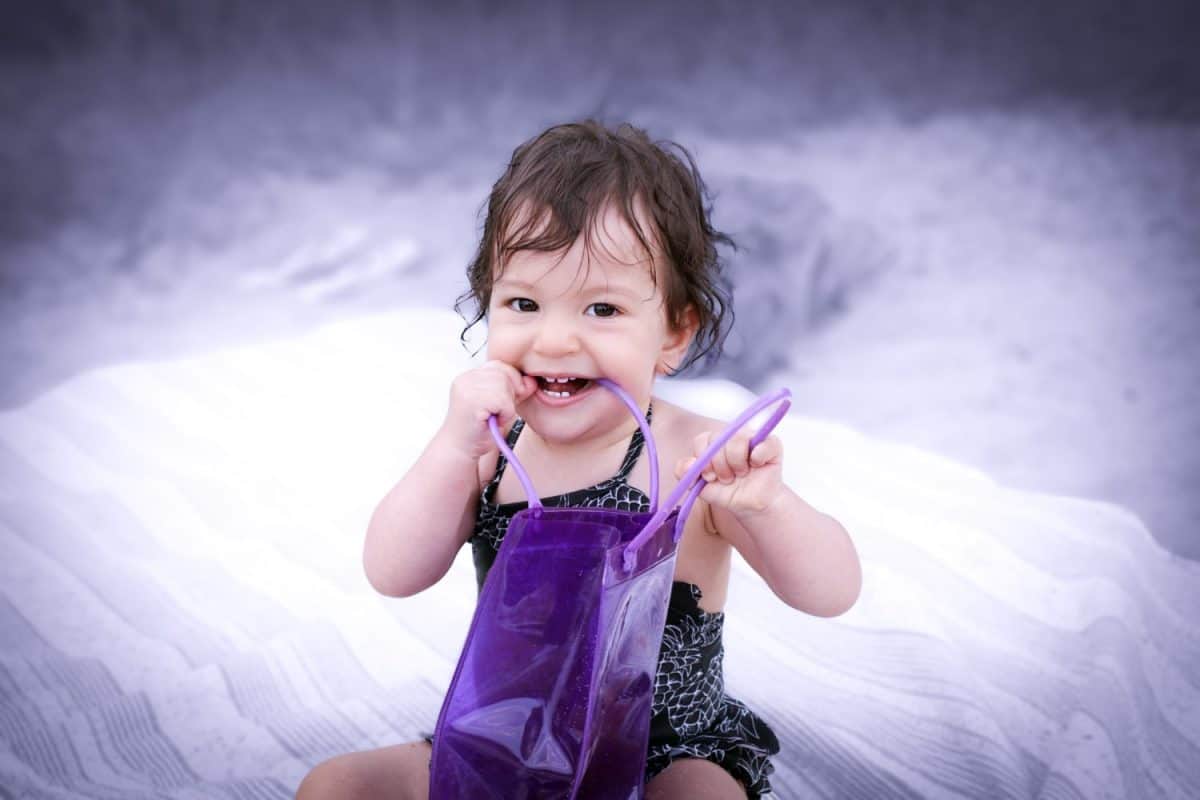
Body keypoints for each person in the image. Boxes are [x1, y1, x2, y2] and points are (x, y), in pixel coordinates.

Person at [296, 120, 861, 799]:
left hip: (664, 750)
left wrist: (770, 505)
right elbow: (392, 573)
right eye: (524, 303)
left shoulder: (697, 459)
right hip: (506, 742)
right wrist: (450, 451)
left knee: (703, 796)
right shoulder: (492, 453)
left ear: (674, 333)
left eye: (601, 308)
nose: (556, 339)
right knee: (335, 787)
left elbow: (831, 593)